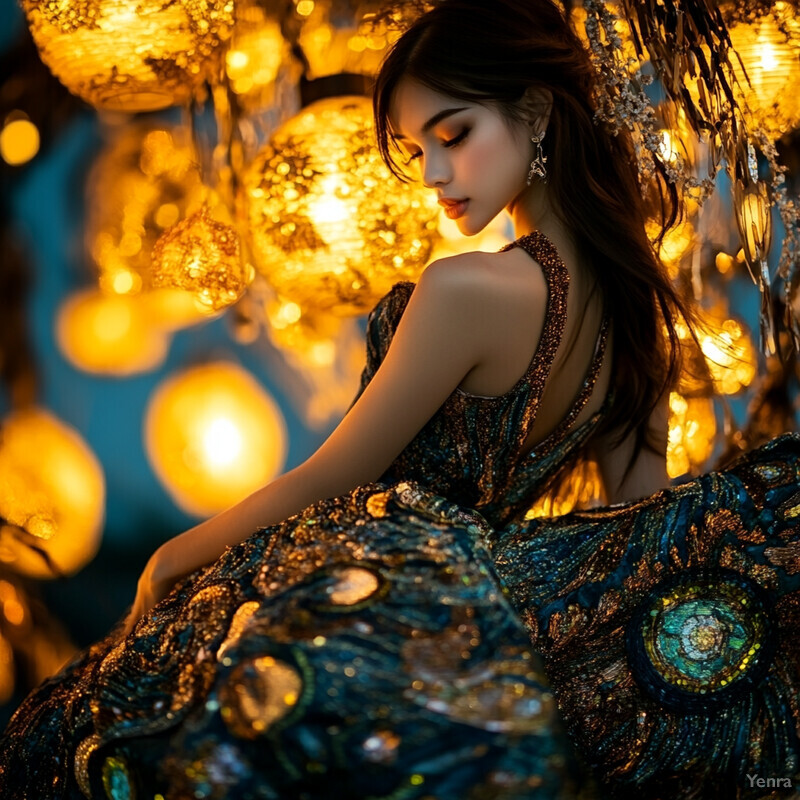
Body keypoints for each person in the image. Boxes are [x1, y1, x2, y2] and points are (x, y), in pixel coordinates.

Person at [1, 0, 798, 798]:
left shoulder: (466, 288)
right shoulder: (638, 318)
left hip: (365, 586)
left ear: (537, 112)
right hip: (475, 625)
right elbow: (638, 537)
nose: (432, 175)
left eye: (453, 136)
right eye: (418, 149)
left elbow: (337, 474)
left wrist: (174, 557)